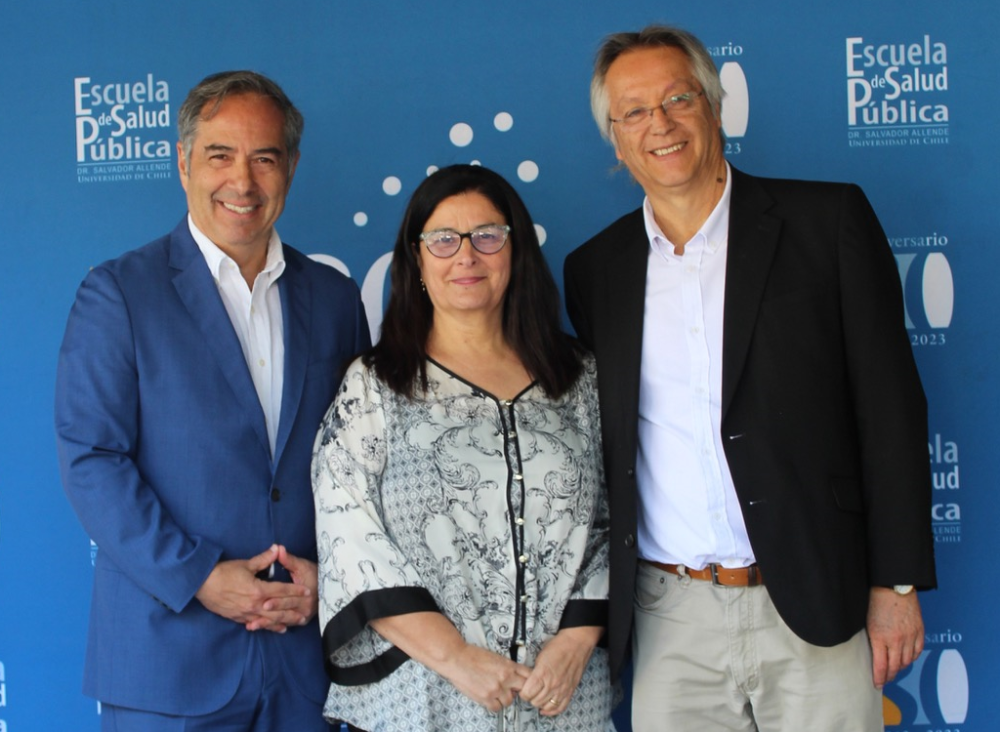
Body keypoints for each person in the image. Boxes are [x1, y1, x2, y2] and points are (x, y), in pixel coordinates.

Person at [564, 25, 936, 732]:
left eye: (678, 98)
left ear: (714, 105)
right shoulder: (595, 271)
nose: (661, 125)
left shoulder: (827, 222)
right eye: (634, 112)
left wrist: (896, 582)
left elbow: (890, 411)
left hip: (811, 595)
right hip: (667, 614)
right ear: (615, 140)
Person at [55, 70, 370, 731]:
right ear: (182, 162)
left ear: (291, 167)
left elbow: (359, 463)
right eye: (220, 155)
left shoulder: (335, 301)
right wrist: (199, 577)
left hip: (305, 666)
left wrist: (337, 576)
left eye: (265, 158)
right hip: (168, 659)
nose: (243, 182)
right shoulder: (119, 294)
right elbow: (93, 460)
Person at [311, 164, 613, 731]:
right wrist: (457, 659)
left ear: (515, 251)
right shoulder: (376, 384)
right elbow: (347, 530)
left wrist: (576, 640)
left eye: (487, 236)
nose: (466, 256)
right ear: (417, 261)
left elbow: (613, 520)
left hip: (562, 692)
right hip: (427, 693)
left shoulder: (577, 378)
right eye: (443, 240)